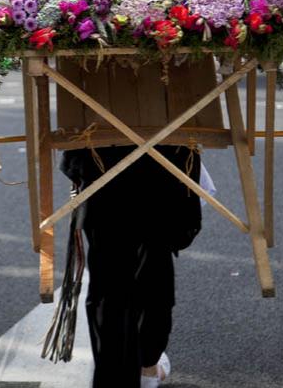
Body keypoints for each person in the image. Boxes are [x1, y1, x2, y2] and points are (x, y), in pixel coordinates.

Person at [60, 144, 202, 388]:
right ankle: (147, 368)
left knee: (109, 282)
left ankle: (120, 376)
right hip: (160, 170)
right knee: (153, 268)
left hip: (103, 170)